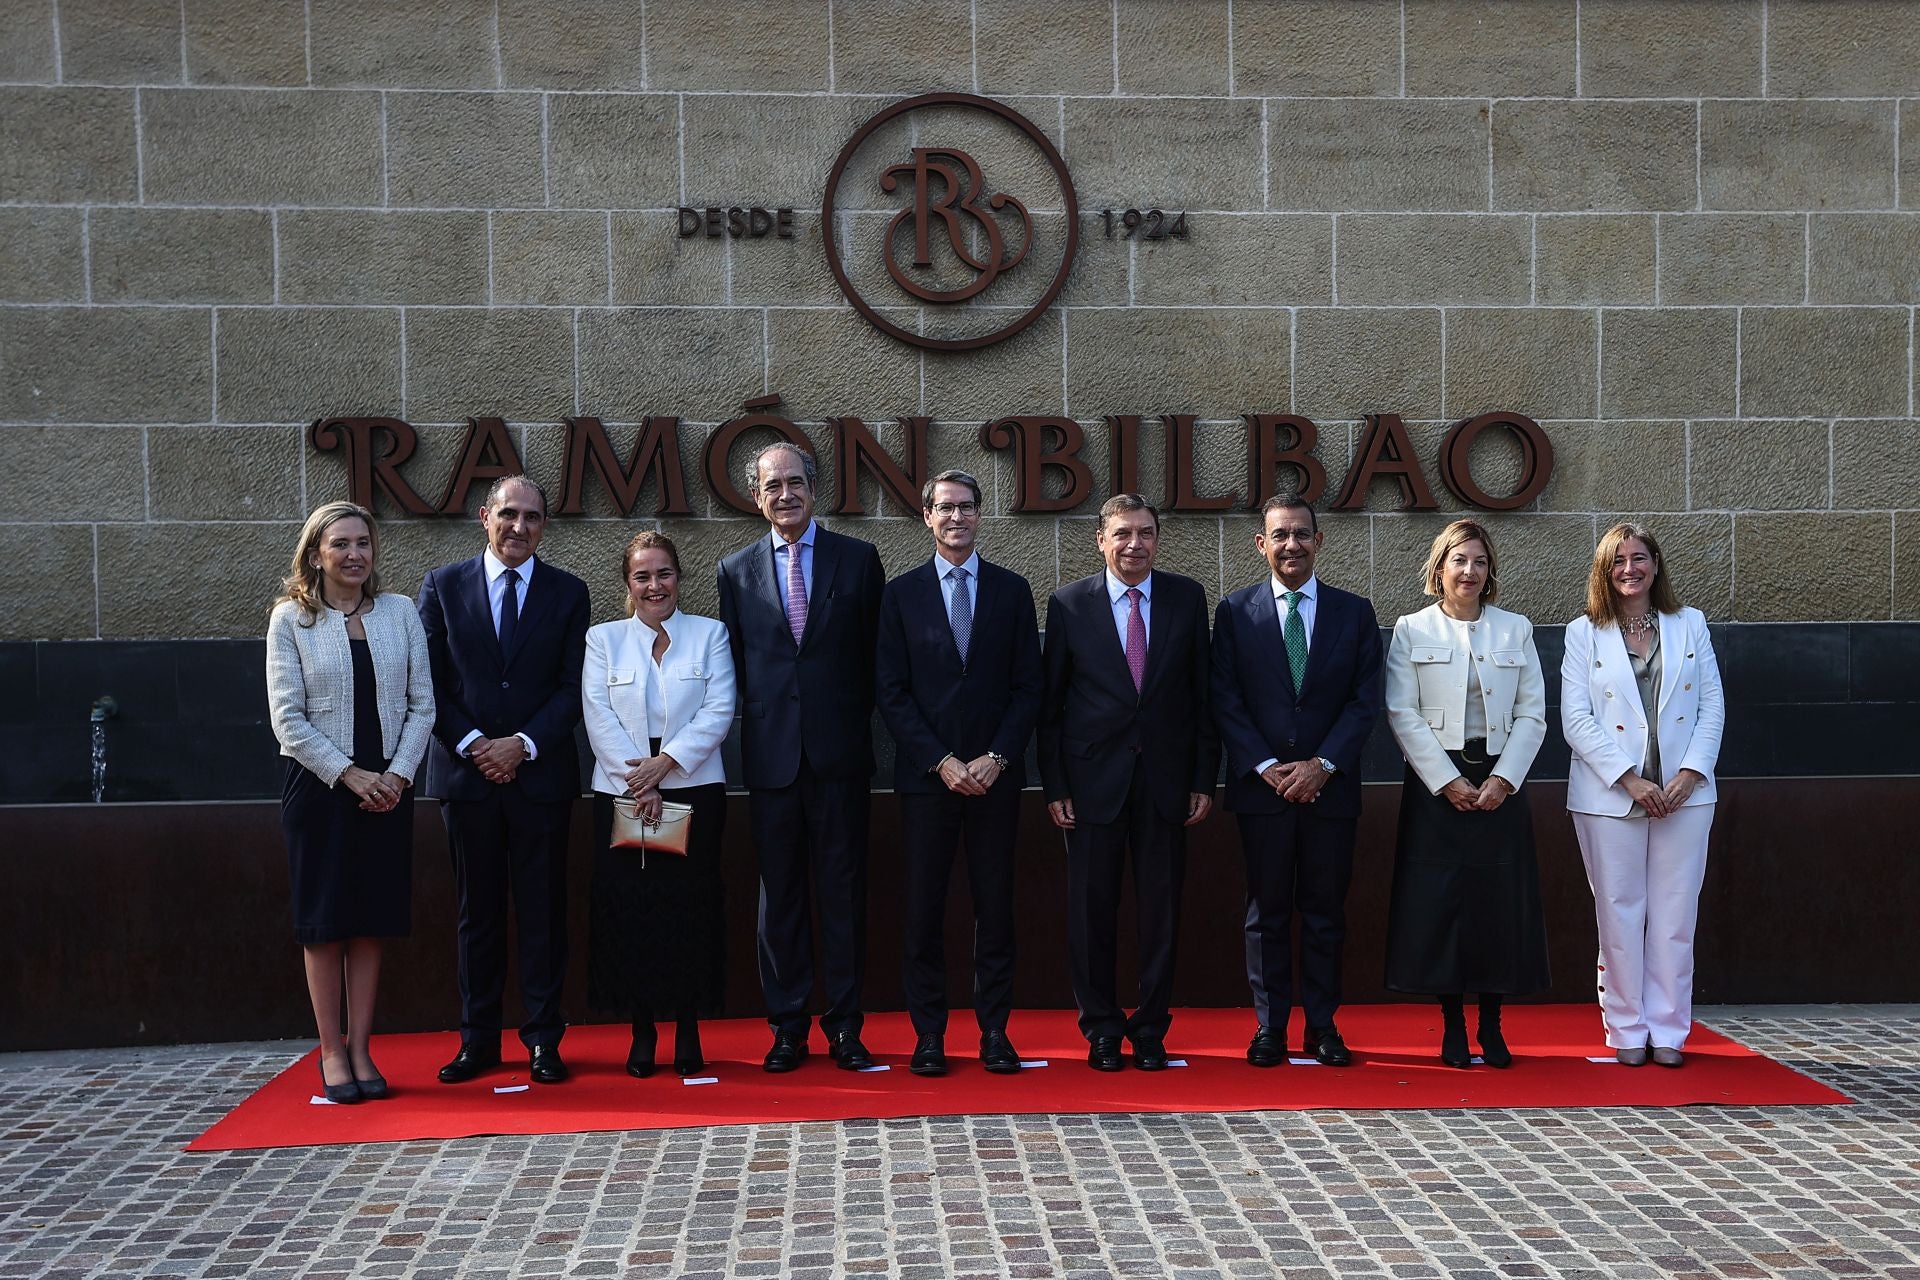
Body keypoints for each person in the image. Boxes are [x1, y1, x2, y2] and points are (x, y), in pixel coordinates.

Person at [716, 442, 886, 1072]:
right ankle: (787, 1027)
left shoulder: (859, 559)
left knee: (842, 894)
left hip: (840, 757)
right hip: (772, 761)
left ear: (814, 489)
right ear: (757, 498)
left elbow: (877, 662)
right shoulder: (735, 570)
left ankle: (845, 1026)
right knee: (779, 898)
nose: (784, 495)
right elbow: (737, 665)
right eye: (771, 486)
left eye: (794, 483)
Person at [416, 475, 591, 1086]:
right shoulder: (441, 587)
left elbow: (573, 687)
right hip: (467, 779)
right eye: (509, 515)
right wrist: (475, 745)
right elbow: (429, 683)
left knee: (544, 912)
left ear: (545, 525)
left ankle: (544, 1038)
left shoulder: (569, 593)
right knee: (477, 913)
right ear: (485, 516)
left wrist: (521, 745)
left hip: (540, 778)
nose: (520, 527)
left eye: (534, 518)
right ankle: (479, 1039)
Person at [1040, 494, 1218, 1072]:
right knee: (1091, 912)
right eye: (1122, 534)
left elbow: (1202, 698)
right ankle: (1101, 1029)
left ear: (1157, 540)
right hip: (1092, 783)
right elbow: (1053, 705)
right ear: (1101, 540)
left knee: (1160, 911)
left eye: (1144, 533)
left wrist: (1202, 777)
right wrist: (1056, 785)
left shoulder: (1187, 598)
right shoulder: (1069, 605)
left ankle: (1150, 1029)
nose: (1134, 544)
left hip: (1166, 781)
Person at [875, 469, 1042, 1077]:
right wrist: (942, 761)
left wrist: (996, 757)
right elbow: (891, 693)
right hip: (928, 783)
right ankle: (929, 1035)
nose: (956, 518)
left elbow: (1030, 688)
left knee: (995, 909)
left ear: (980, 515)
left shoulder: (1012, 590)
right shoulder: (901, 595)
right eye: (944, 508)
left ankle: (995, 1031)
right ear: (927, 516)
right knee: (924, 911)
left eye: (967, 507)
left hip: (996, 779)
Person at [266, 502, 434, 1104]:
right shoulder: (292, 619)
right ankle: (332, 1053)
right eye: (341, 544)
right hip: (321, 789)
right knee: (326, 925)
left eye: (364, 542)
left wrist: (396, 774)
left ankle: (363, 1048)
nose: (355, 554)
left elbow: (423, 704)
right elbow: (288, 719)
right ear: (317, 553)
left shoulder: (400, 612)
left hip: (389, 790)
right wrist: (351, 775)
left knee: (371, 924)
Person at [1211, 495, 1382, 1069]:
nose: (1291, 545)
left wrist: (1321, 766)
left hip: (1330, 791)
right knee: (1267, 913)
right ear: (1262, 545)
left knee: (1325, 911)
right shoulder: (1234, 612)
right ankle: (1270, 1027)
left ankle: (1323, 1026)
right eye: (1280, 535)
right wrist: (1265, 766)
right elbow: (1225, 699)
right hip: (1263, 791)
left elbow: (1365, 702)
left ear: (1319, 540)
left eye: (1302, 534)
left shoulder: (1354, 613)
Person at [1382, 519, 1551, 1069]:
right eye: (1459, 561)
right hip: (1439, 785)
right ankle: (1453, 1024)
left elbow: (1532, 712)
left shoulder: (1515, 629)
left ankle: (1493, 1025)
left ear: (1490, 570)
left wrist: (1504, 779)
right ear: (1440, 568)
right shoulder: (1412, 629)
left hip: (1502, 780)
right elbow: (1401, 711)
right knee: (1443, 907)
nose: (1470, 572)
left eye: (1479, 562)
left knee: (1497, 905)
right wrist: (1446, 780)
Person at [1562, 523, 1725, 1068]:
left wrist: (1690, 775)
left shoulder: (1690, 624)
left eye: (1639, 558)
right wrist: (1629, 778)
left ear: (1656, 565)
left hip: (1684, 797)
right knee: (1620, 915)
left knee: (1676, 917)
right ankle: (1627, 1027)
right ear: (1603, 572)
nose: (1629, 569)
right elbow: (1575, 720)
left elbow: (1711, 707)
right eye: (1617, 561)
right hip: (1611, 797)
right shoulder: (1584, 632)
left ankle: (1670, 1031)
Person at [582, 531, 736, 1078]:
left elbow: (719, 710)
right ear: (628, 583)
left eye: (664, 573)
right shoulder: (603, 640)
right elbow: (597, 713)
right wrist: (640, 781)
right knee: (633, 912)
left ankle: (689, 1027)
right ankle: (642, 1029)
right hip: (622, 791)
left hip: (694, 787)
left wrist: (665, 766)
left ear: (678, 577)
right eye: (642, 576)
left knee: (689, 908)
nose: (655, 586)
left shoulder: (709, 635)